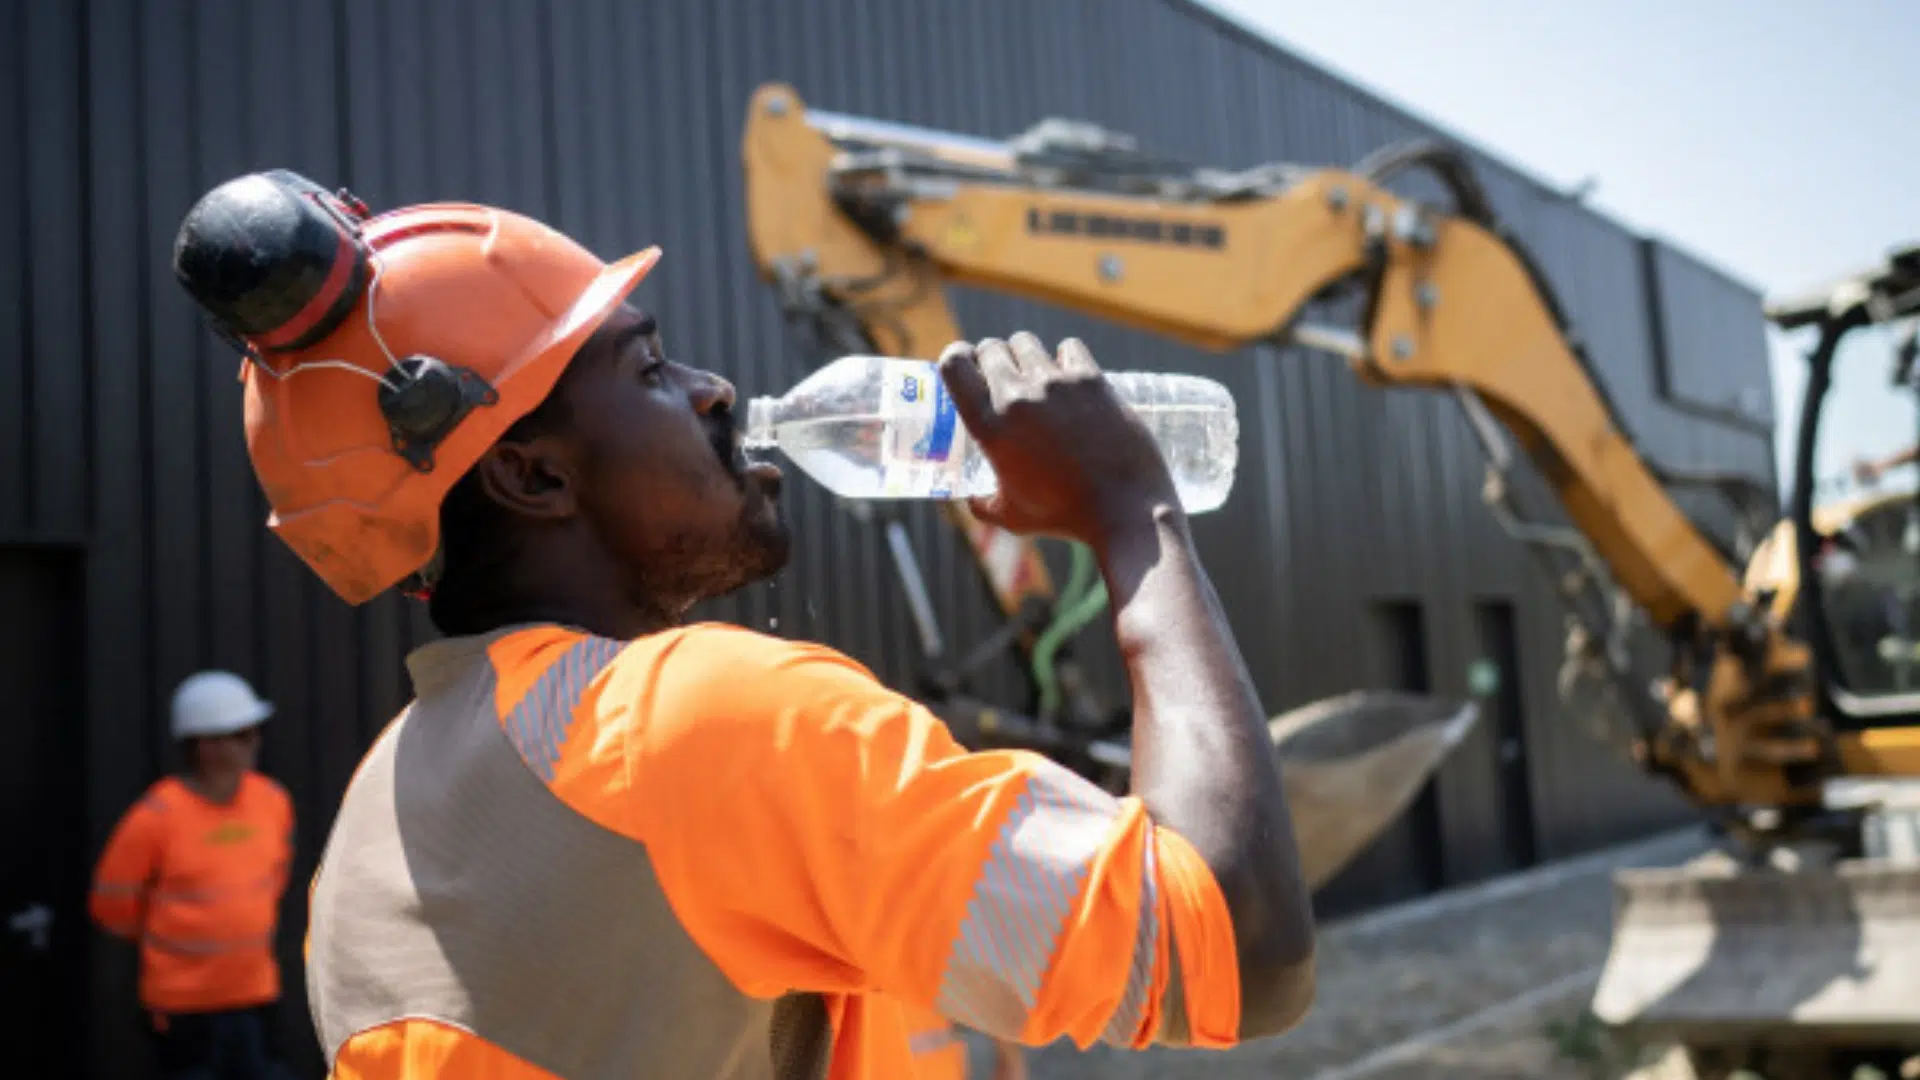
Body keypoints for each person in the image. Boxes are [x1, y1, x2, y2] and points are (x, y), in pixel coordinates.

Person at [169, 171, 1317, 1079]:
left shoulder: (370, 823)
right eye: (651, 367)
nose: (715, 390)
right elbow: (1237, 946)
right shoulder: (693, 718)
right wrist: (1135, 514)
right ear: (529, 476)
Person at [89, 670, 296, 1080]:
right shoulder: (155, 818)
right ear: (206, 744)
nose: (254, 742)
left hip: (254, 996)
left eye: (253, 732)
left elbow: (276, 878)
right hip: (184, 1010)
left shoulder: (271, 801)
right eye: (242, 733)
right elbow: (111, 908)